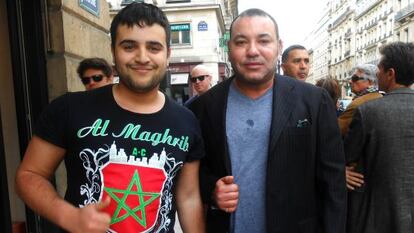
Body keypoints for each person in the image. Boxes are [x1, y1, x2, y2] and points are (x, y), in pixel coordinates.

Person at [15, 3, 205, 233]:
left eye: (154, 47)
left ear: (168, 55)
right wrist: (69, 216)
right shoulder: (69, 108)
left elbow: (189, 197)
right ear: (113, 51)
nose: (142, 57)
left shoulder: (186, 121)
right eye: (129, 46)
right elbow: (29, 175)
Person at [189, 8, 346, 233]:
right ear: (229, 48)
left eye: (263, 41)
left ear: (279, 47)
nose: (253, 51)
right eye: (241, 42)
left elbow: (333, 182)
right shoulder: (205, 106)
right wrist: (211, 190)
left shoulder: (314, 101)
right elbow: (192, 174)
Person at [344, 42, 414, 233]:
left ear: (390, 73)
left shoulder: (368, 111)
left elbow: (347, 157)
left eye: (379, 70)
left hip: (375, 216)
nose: (377, 75)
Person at [337, 64, 382, 137]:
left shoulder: (357, 104)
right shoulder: (381, 98)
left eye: (355, 78)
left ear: (370, 82)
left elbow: (336, 130)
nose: (350, 81)